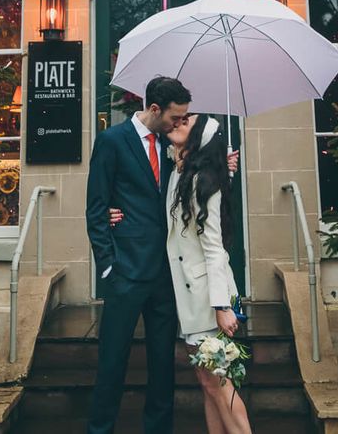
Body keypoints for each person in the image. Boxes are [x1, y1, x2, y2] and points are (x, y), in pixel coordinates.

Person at [110, 113, 253, 434]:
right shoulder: (182, 173)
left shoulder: (204, 183)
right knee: (208, 383)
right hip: (190, 301)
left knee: (221, 383)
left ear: (197, 138)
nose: (178, 123)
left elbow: (215, 248)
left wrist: (221, 306)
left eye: (186, 122)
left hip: (208, 300)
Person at [85, 76, 191, 434]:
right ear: (155, 109)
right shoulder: (111, 142)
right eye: (176, 117)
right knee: (112, 362)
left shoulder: (170, 144)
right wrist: (108, 267)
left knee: (163, 365)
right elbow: (96, 210)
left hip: (164, 274)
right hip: (125, 273)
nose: (180, 124)